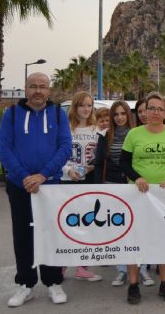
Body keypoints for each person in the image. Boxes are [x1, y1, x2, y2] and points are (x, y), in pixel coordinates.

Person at [0, 73, 71, 307]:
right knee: (22, 235)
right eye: (33, 86)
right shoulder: (10, 115)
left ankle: (53, 282)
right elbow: (3, 149)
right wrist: (25, 178)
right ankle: (26, 284)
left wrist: (43, 175)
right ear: (25, 89)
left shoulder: (59, 115)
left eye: (42, 87)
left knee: (50, 233)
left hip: (49, 186)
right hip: (20, 186)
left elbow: (65, 147)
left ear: (49, 90)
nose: (38, 91)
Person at [120, 92, 165, 304]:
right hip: (137, 196)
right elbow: (123, 162)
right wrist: (136, 177)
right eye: (152, 108)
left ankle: (164, 284)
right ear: (144, 111)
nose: (155, 112)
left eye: (160, 109)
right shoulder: (134, 134)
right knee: (134, 240)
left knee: (164, 241)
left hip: (164, 197)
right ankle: (133, 285)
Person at [94, 101, 154, 288]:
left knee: (141, 229)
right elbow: (99, 162)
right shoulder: (105, 135)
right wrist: (99, 187)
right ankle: (121, 270)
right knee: (119, 230)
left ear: (129, 115)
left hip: (135, 185)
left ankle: (142, 268)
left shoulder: (139, 134)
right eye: (116, 114)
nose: (119, 117)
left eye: (123, 113)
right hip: (112, 185)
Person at [61, 91, 103, 282]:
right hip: (67, 181)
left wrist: (91, 166)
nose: (86, 109)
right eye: (82, 105)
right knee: (66, 224)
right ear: (75, 107)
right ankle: (61, 265)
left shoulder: (97, 130)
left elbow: (100, 157)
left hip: (88, 181)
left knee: (85, 223)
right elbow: (57, 156)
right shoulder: (65, 129)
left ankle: (81, 266)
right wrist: (68, 170)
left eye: (89, 105)